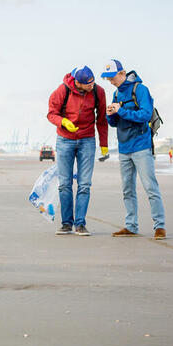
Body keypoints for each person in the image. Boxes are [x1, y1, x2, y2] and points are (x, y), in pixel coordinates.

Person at [102, 59, 166, 239]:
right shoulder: (116, 94)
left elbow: (145, 115)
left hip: (141, 146)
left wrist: (121, 111)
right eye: (108, 79)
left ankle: (159, 226)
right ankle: (131, 226)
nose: (111, 81)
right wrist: (110, 115)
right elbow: (115, 124)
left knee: (150, 187)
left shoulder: (141, 90)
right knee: (127, 190)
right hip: (124, 148)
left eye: (112, 77)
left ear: (122, 73)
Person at [47, 65, 108, 236]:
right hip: (65, 140)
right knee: (65, 184)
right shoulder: (62, 90)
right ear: (77, 83)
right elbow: (51, 113)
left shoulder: (98, 92)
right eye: (88, 84)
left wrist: (104, 144)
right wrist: (63, 122)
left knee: (85, 184)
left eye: (93, 81)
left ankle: (80, 224)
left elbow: (102, 119)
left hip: (87, 140)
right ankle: (67, 223)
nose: (92, 85)